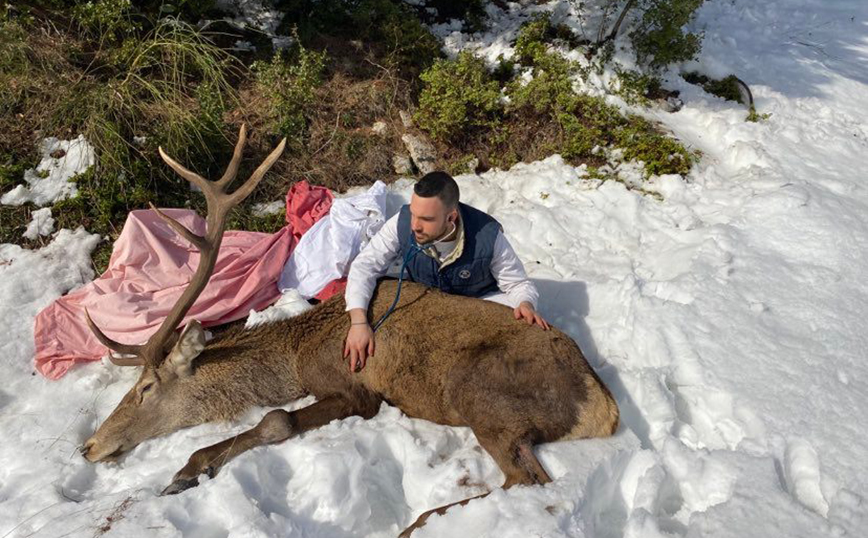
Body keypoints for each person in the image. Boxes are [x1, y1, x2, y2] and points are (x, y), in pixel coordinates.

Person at [343, 171, 549, 372]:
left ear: (451, 217)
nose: (415, 226)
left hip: (477, 307)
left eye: (426, 219)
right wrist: (359, 322)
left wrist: (525, 303)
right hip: (431, 307)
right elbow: (365, 266)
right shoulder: (402, 222)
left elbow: (518, 284)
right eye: (414, 214)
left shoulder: (489, 236)